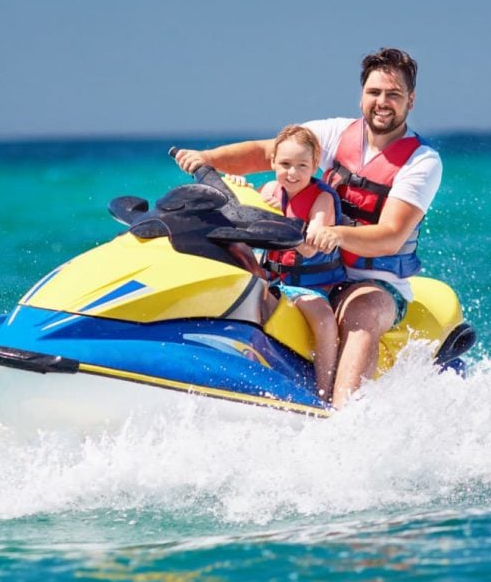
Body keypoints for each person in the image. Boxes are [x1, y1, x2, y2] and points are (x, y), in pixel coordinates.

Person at [174, 47, 441, 409]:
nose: (382, 102)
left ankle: (344, 415)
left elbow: (392, 234)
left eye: (393, 95)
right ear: (362, 95)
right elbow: (267, 153)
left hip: (371, 283)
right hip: (307, 273)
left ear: (411, 100)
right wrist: (208, 160)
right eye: (374, 92)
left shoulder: (421, 161)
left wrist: (336, 233)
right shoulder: (333, 133)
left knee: (361, 312)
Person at [229, 125, 346, 401]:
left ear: (315, 165)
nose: (292, 173)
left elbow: (308, 247)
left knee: (325, 320)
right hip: (272, 279)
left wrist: (276, 216)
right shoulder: (270, 188)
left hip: (312, 288)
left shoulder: (322, 199)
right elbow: (244, 223)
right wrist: (241, 190)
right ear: (272, 162)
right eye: (285, 164)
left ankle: (324, 391)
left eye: (302, 165)